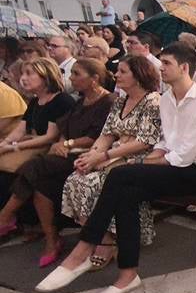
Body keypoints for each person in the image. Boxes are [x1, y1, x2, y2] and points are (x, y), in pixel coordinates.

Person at [36, 44, 196, 293]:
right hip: (169, 165)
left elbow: (185, 156)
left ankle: (84, 248)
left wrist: (140, 161)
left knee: (121, 174)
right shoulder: (168, 98)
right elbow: (164, 142)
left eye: (166, 63)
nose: (160, 68)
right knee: (126, 194)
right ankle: (127, 275)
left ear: (184, 68)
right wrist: (145, 158)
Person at [0, 59, 113, 266]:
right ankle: (51, 240)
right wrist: (62, 143)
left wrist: (66, 143)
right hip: (66, 154)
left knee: (33, 166)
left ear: (94, 78)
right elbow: (63, 130)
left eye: (76, 74)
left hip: (88, 155)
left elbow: (96, 136)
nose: (71, 78)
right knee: (40, 187)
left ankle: (5, 216)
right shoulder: (80, 101)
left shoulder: (107, 101)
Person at [62, 56, 162, 267]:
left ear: (138, 75)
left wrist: (104, 156)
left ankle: (105, 241)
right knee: (75, 178)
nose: (116, 75)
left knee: (95, 183)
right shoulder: (120, 100)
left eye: (123, 71)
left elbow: (145, 141)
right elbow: (106, 134)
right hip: (114, 154)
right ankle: (105, 239)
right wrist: (91, 156)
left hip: (141, 157)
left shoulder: (152, 100)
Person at [0, 59, 75, 177]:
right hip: (32, 142)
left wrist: (13, 147)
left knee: (6, 164)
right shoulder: (35, 101)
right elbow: (20, 130)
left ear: (46, 76)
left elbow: (50, 137)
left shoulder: (61, 100)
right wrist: (4, 144)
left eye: (29, 73)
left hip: (49, 149)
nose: (23, 78)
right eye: (23, 73)